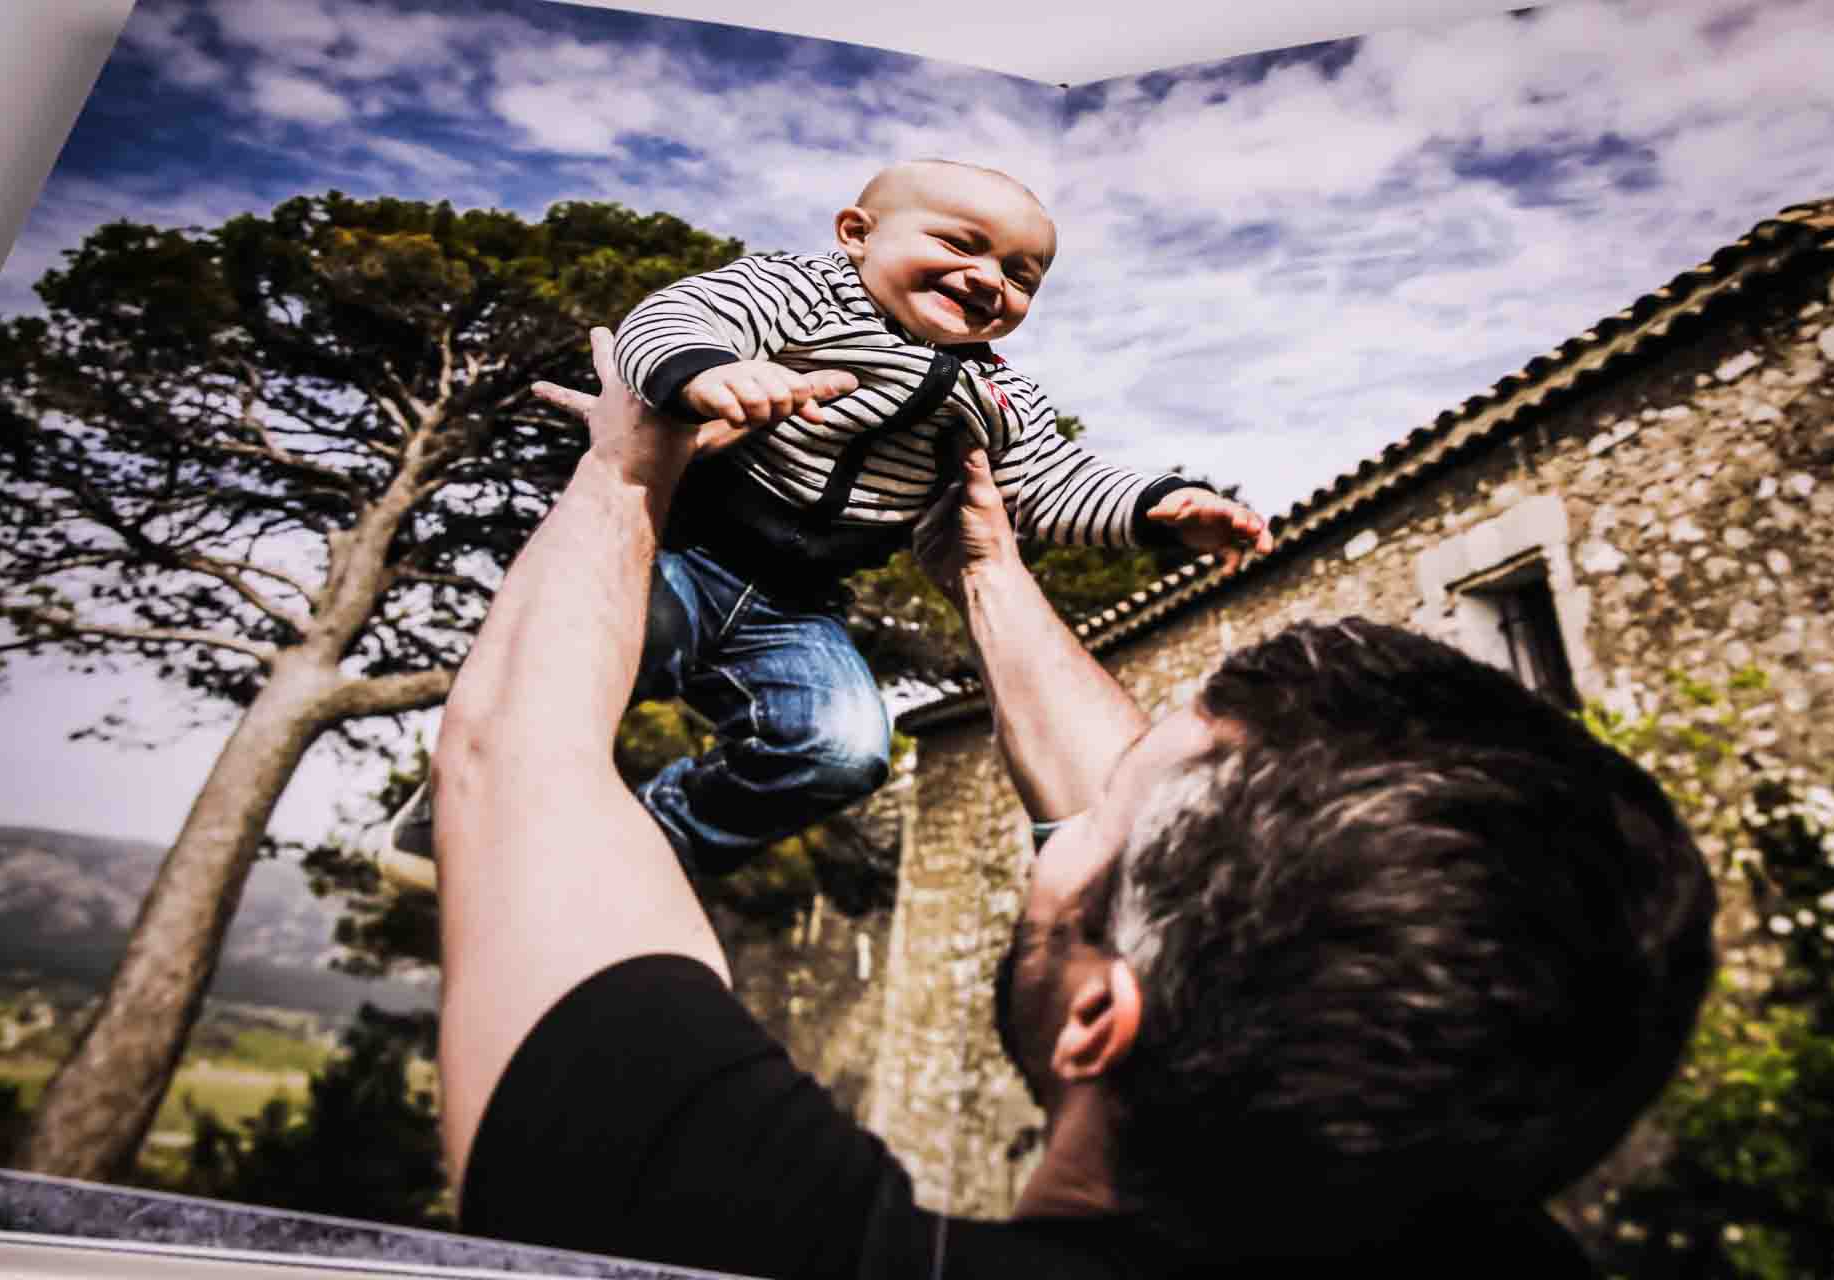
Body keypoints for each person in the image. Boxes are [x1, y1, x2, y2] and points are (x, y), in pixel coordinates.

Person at [433, 329, 1716, 1277]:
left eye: (1096, 828)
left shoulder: (767, 1239)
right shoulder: (1486, 1209)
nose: (1079, 804)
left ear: (1101, 1016)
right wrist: (985, 564)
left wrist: (624, 473)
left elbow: (520, 762)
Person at [379, 159, 1272, 887]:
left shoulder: (1001, 394)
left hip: (801, 606)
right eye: (963, 245)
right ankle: (467, 791)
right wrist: (706, 373)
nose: (988, 279)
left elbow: (1045, 486)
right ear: (856, 235)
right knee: (589, 648)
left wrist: (1161, 509)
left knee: (844, 750)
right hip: (683, 552)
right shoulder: (800, 293)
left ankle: (656, 843)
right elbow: (677, 317)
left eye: (1020, 276)